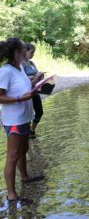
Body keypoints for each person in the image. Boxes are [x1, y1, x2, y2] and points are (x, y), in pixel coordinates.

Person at [0, 38, 45, 204]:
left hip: (25, 117)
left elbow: (25, 89)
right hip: (14, 120)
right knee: (13, 155)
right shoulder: (5, 71)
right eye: (23, 49)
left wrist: (37, 80)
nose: (26, 51)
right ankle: (11, 195)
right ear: (16, 52)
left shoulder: (18, 68)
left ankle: (25, 177)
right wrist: (19, 98)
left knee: (24, 148)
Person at [22, 43, 44, 138]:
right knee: (28, 114)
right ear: (25, 51)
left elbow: (37, 73)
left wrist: (41, 75)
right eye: (32, 52)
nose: (33, 54)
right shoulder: (20, 64)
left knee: (39, 112)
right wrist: (34, 77)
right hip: (27, 92)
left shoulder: (31, 63)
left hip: (36, 90)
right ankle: (26, 133)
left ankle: (32, 130)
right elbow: (21, 78)